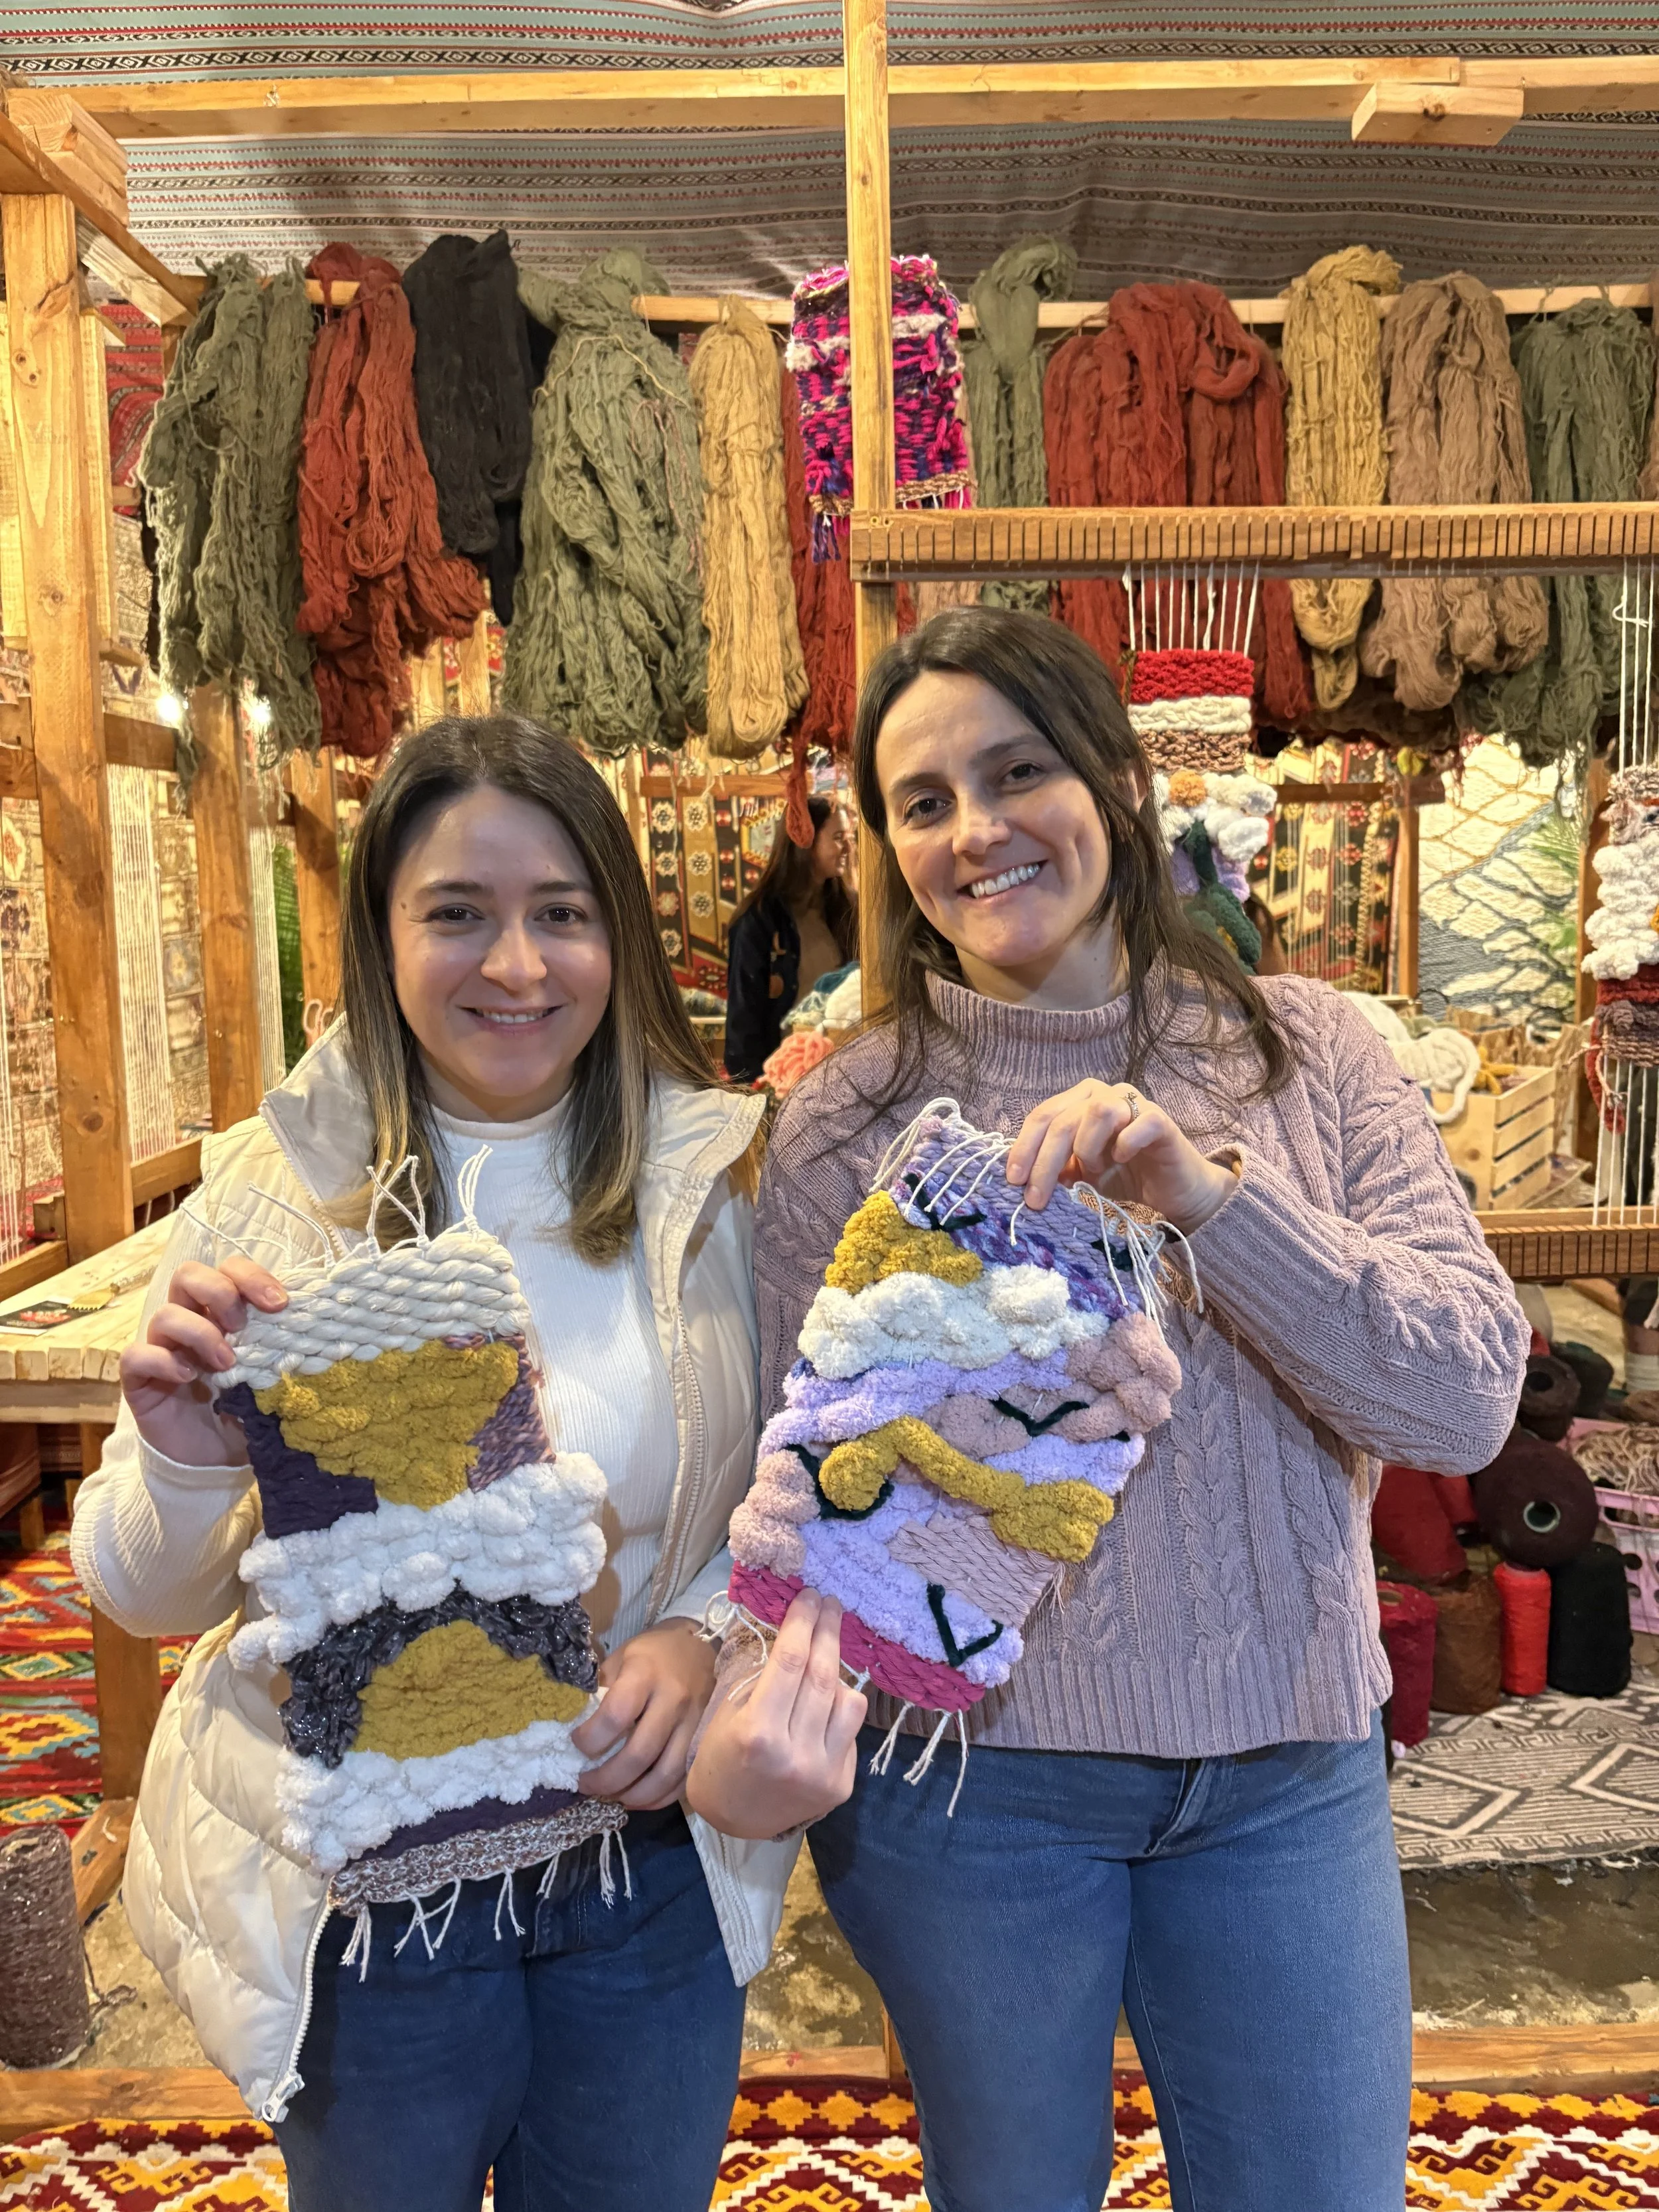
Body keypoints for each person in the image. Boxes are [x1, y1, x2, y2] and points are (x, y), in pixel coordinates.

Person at [687, 609, 1528, 2212]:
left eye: (1019, 772)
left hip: (1285, 1767)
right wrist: (746, 1709)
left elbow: (1469, 1398)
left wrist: (1207, 1198)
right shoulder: (844, 1118)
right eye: (923, 800)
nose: (976, 829)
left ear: (1123, 786)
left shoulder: (1314, 1057)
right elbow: (790, 1484)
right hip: (966, 1794)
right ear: (882, 843)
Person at [73, 715, 797, 2212]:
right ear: (381, 936)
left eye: (562, 914)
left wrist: (706, 1629)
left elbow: (797, 1499)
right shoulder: (272, 1200)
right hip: (363, 1904)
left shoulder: (717, 1178)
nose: (516, 967)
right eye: (457, 913)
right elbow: (144, 1596)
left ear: (621, 933)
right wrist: (185, 1459)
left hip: (638, 1867)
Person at [722, 794, 857, 1082]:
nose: (849, 846)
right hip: (784, 1079)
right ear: (805, 842)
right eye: (838, 837)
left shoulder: (847, 911)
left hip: (844, 1073)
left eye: (850, 836)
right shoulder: (757, 923)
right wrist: (756, 1100)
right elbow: (743, 1026)